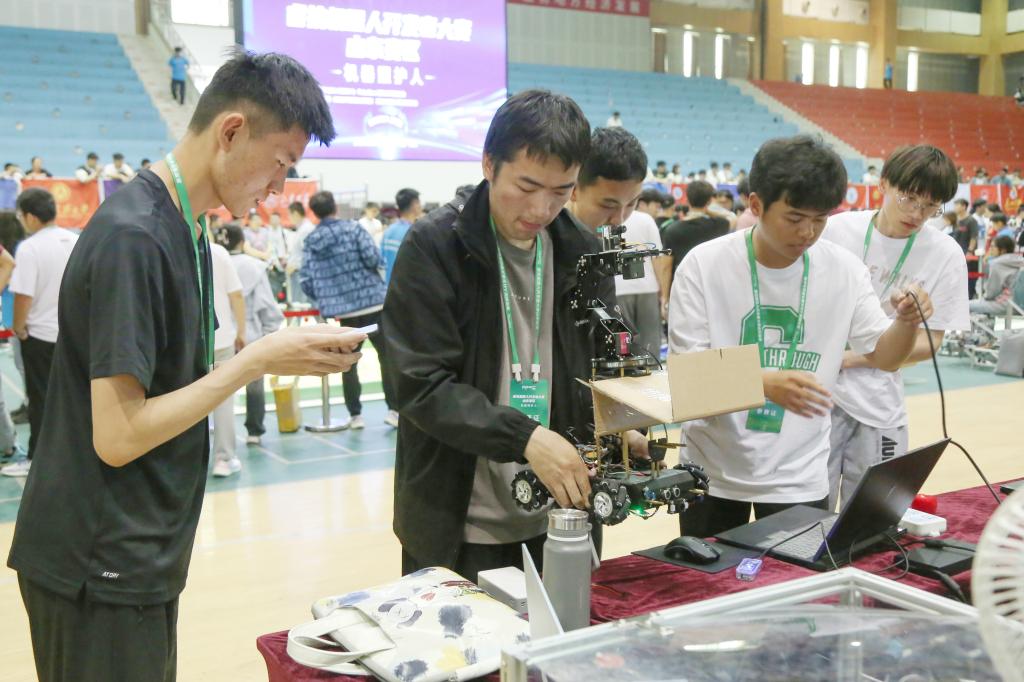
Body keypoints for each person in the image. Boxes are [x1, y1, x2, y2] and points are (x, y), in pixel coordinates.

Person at [6, 51, 363, 682]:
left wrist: (269, 354)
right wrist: (254, 360)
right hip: (97, 559)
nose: (280, 187)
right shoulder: (135, 236)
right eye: (281, 163)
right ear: (231, 131)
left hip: (139, 549)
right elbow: (118, 436)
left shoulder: (189, 228)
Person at [384, 89, 647, 581]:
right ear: (489, 164)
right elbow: (417, 385)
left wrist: (622, 423)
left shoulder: (582, 251)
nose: (542, 207)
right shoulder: (436, 246)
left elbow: (598, 364)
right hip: (459, 522)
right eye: (527, 186)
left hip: (563, 515)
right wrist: (524, 438)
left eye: (561, 191)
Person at [667, 135, 934, 538]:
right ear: (756, 205)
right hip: (713, 472)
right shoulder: (704, 266)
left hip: (801, 475)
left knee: (794, 576)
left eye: (820, 219)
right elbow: (687, 379)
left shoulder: (844, 270)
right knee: (707, 576)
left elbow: (885, 357)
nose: (808, 232)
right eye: (794, 218)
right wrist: (761, 382)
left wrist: (906, 322)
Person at [822, 145, 968, 510]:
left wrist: (853, 358)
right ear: (883, 184)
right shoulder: (836, 231)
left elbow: (932, 342)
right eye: (909, 199)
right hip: (818, 393)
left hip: (880, 402)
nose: (917, 214)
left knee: (870, 513)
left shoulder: (946, 254)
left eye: (931, 206)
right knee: (809, 511)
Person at [566, 127, 670, 358]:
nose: (619, 219)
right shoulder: (542, 240)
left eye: (632, 204)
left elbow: (607, 319)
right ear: (573, 189)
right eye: (607, 205)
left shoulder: (599, 244)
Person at [301, 190, 396, 429]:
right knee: (387, 359)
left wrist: (326, 298)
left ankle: (355, 415)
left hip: (343, 312)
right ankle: (393, 410)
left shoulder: (312, 240)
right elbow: (373, 258)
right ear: (335, 208)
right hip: (373, 303)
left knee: (348, 364)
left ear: (315, 213)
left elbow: (306, 279)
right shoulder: (354, 229)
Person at [1, 188, 78, 478]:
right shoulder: (74, 240)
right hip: (71, 333)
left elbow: (24, 295)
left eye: (21, 216)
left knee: (41, 399)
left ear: (31, 217)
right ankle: (74, 453)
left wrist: (19, 328)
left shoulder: (30, 248)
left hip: (40, 338)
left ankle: (38, 459)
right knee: (73, 395)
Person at [220, 223, 285, 446]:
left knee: (217, 385)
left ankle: (217, 431)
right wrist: (270, 331)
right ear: (242, 241)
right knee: (254, 382)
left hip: (219, 333)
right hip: (249, 330)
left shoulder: (213, 261)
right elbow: (266, 303)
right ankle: (254, 430)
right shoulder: (254, 266)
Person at [208, 239, 246, 477]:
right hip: (221, 340)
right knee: (223, 401)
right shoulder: (218, 252)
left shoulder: (173, 246)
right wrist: (242, 330)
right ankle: (223, 459)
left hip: (187, 344)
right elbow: (236, 295)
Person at [660, 180, 730, 293]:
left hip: (683, 285)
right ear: (709, 201)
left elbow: (666, 267)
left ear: (687, 199)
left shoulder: (672, 229)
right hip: (712, 284)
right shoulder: (719, 224)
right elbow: (732, 218)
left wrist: (664, 295)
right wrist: (707, 210)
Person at [970, 235, 1022, 315]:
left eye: (993, 246)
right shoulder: (1020, 260)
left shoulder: (997, 264)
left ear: (1003, 250)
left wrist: (984, 296)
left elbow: (991, 293)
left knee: (966, 305)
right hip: (1019, 305)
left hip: (1006, 304)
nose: (990, 249)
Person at [380, 187, 421, 285]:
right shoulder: (414, 233)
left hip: (389, 287)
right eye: (419, 202)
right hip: (407, 288)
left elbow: (382, 261)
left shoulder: (388, 231)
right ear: (414, 204)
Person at [285, 201, 315, 304]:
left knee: (300, 305)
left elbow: (309, 253)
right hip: (297, 272)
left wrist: (295, 266)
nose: (289, 218)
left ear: (296, 213)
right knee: (299, 304)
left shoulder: (306, 229)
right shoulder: (301, 228)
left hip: (300, 272)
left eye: (289, 215)